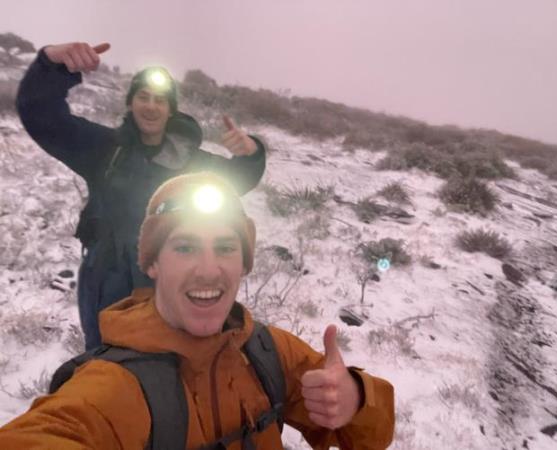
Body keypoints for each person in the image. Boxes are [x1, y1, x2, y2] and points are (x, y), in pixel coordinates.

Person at [0, 172, 395, 449]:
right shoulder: (115, 386)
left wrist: (356, 397)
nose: (208, 269)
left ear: (244, 264)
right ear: (152, 264)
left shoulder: (268, 351)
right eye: (185, 247)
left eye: (225, 247)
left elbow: (371, 437)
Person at [16, 42, 266, 350]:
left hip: (171, 278)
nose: (151, 106)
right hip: (107, 277)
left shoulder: (190, 162)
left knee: (171, 365)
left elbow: (241, 177)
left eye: (160, 100)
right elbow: (40, 114)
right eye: (143, 97)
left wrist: (251, 152)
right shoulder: (104, 149)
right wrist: (51, 64)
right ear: (131, 103)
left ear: (171, 109)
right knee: (108, 366)